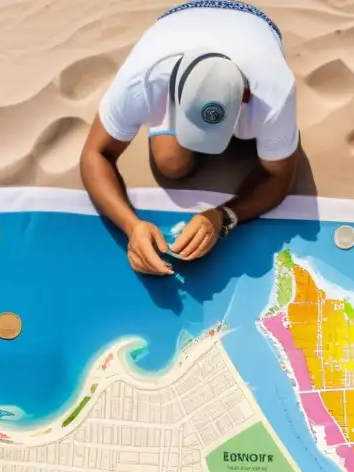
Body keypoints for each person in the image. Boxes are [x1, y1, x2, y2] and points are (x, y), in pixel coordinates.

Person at [80, 1, 299, 276]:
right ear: (173, 92)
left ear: (245, 96)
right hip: (175, 21)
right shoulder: (143, 79)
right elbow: (95, 154)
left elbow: (280, 176)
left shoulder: (274, 92)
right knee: (171, 163)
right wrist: (131, 226)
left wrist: (222, 217)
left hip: (256, 24)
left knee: (273, 152)